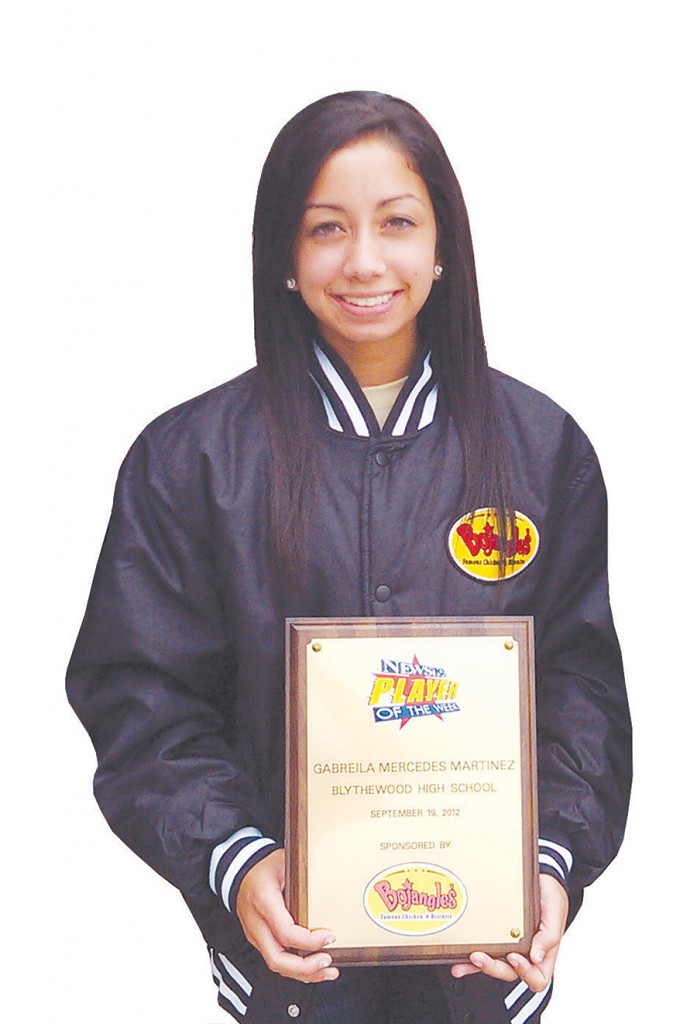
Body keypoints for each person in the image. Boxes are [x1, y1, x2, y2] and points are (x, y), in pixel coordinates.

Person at [67, 91, 631, 1024]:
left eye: (396, 222)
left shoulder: (540, 449)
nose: (364, 260)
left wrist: (546, 864)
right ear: (282, 256)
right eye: (325, 227)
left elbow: (579, 693)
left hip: (483, 964)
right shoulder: (191, 460)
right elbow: (143, 699)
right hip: (291, 967)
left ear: (443, 244)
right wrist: (238, 859)